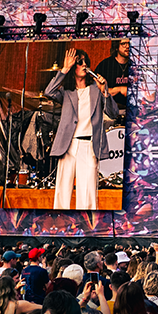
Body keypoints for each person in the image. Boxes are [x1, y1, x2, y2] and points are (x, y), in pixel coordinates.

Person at [44, 47, 121, 212]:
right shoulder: (66, 93)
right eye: (80, 62)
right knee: (62, 192)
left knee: (88, 193)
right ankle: (60, 226)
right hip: (68, 145)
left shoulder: (96, 90)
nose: (84, 65)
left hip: (89, 145)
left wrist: (105, 91)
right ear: (73, 67)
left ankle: (87, 227)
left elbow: (113, 113)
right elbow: (48, 92)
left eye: (86, 62)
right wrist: (64, 69)